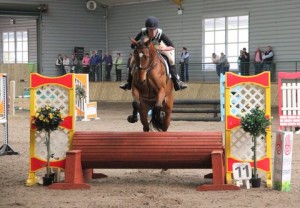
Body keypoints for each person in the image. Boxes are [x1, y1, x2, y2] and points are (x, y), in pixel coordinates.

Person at [119, 16, 187, 91]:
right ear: (147, 29)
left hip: (159, 48)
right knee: (132, 61)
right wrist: (138, 44)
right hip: (145, 50)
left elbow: (172, 47)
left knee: (171, 59)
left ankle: (177, 81)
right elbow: (132, 46)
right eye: (150, 30)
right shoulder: (142, 32)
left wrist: (163, 48)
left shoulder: (161, 34)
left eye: (154, 30)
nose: (153, 32)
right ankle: (128, 82)